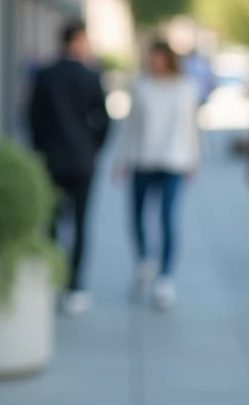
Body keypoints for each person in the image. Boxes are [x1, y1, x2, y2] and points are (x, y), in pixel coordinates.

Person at [27, 20, 111, 316]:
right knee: (81, 223)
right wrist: (93, 148)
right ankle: (75, 287)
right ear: (77, 40)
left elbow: (32, 118)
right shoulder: (90, 75)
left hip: (50, 160)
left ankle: (53, 281)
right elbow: (104, 119)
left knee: (51, 224)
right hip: (82, 162)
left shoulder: (45, 75)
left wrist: (39, 150)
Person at [114, 40, 201, 310]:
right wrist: (122, 159)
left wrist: (193, 159)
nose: (154, 62)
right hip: (143, 160)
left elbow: (193, 127)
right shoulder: (142, 86)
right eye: (152, 57)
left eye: (159, 57)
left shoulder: (186, 88)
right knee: (136, 216)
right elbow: (130, 126)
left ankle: (165, 279)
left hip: (173, 162)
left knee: (167, 218)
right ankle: (145, 260)